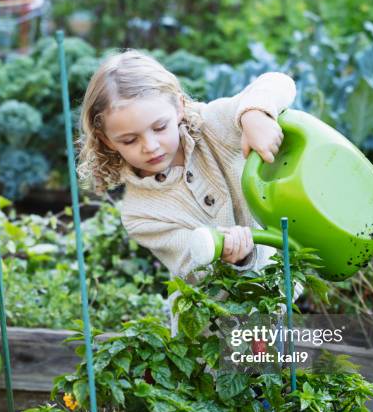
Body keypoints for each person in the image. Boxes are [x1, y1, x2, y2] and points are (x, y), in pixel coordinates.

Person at [77, 50, 302, 330]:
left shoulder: (214, 125)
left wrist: (255, 113)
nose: (150, 146)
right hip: (208, 325)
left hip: (270, 298)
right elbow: (191, 263)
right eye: (130, 140)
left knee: (276, 367)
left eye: (160, 127)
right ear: (107, 140)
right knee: (231, 371)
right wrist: (230, 253)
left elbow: (279, 82)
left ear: (179, 107)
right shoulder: (140, 214)